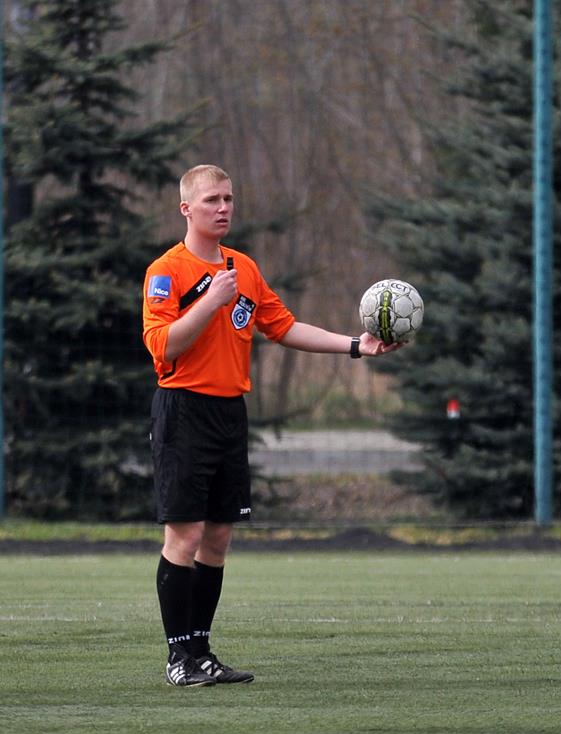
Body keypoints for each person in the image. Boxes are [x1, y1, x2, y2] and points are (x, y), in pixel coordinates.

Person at [142, 164, 401, 687]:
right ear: (186, 209)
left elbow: (284, 327)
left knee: (218, 539)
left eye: (228, 198)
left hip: (229, 414)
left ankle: (201, 653)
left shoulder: (243, 268)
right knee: (185, 535)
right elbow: (162, 346)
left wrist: (358, 345)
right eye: (212, 199)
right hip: (184, 410)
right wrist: (210, 301)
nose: (223, 207)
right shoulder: (166, 271)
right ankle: (177, 658)